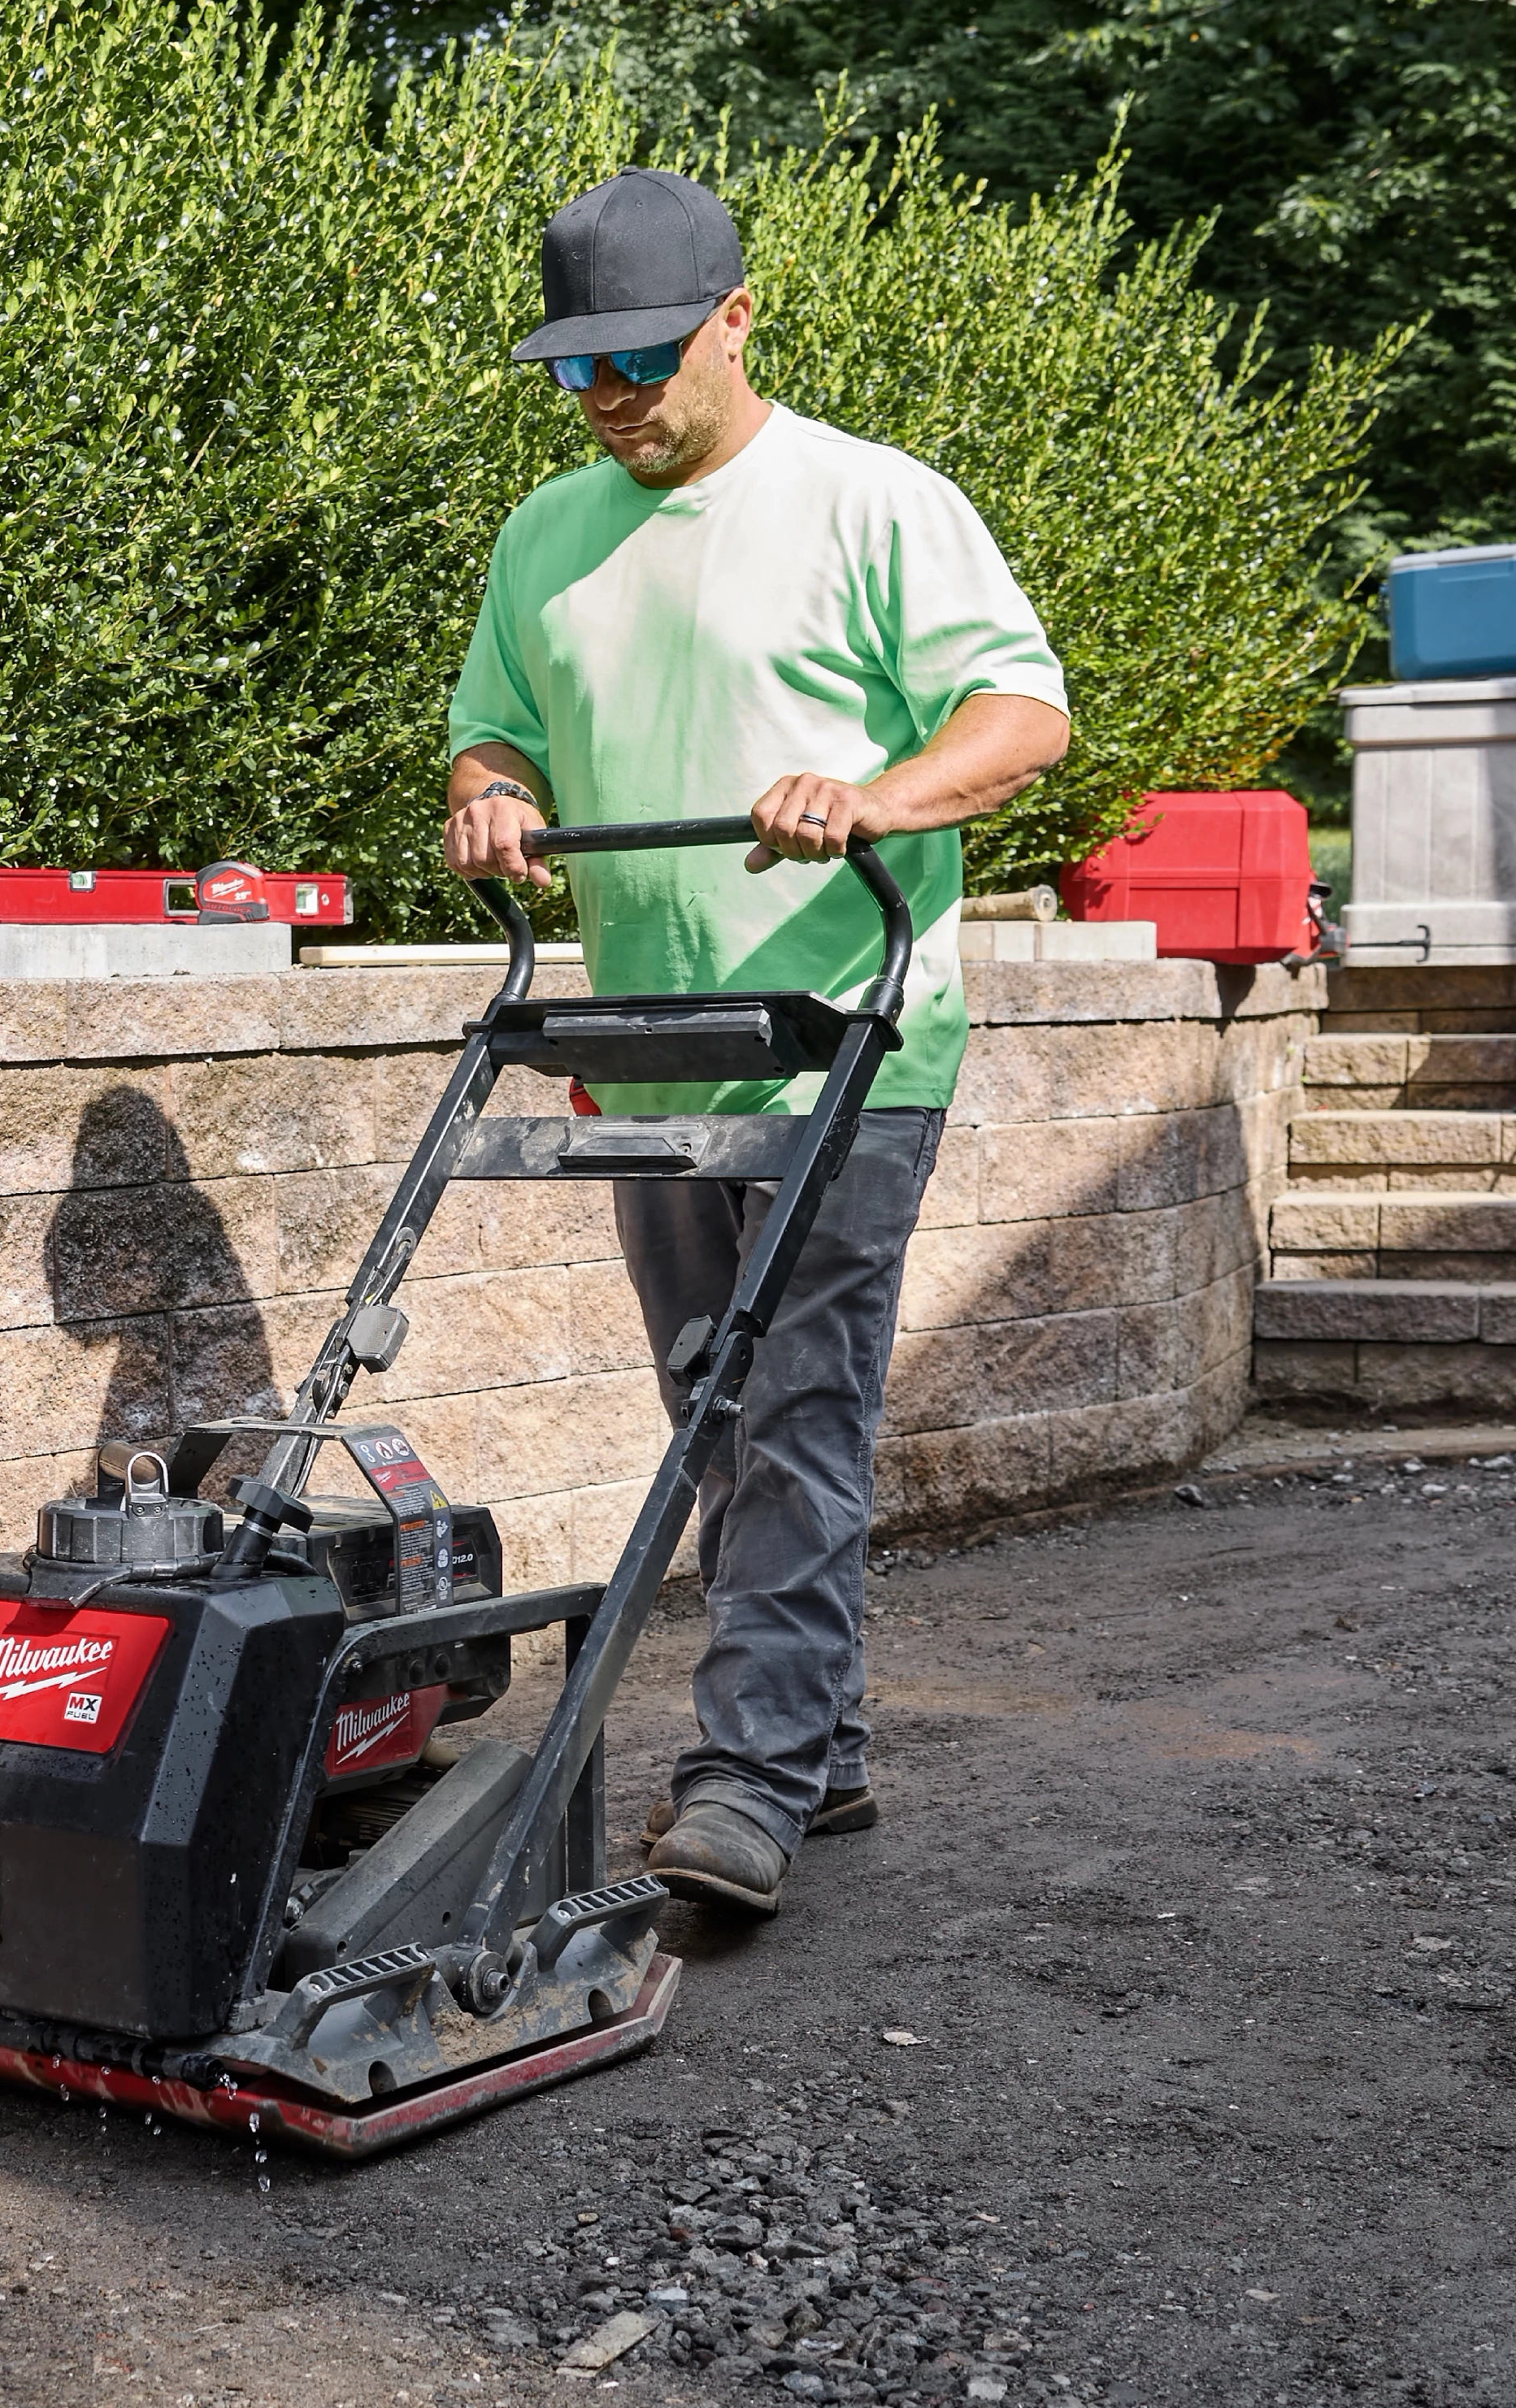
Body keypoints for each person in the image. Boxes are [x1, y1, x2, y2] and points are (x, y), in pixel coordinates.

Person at [442, 165, 1070, 1916]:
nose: (607, 398)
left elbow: (1022, 713)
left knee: (790, 1403)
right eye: (574, 370)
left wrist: (869, 796)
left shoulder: (873, 502)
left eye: (637, 357)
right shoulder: (540, 535)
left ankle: (748, 1773)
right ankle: (828, 1737)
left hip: (852, 1033)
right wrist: (490, 805)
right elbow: (492, 731)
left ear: (732, 317)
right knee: (704, 1402)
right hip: (650, 1038)